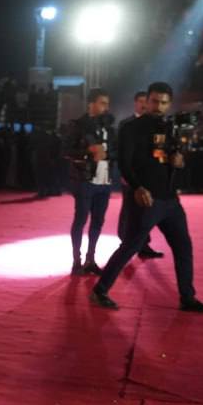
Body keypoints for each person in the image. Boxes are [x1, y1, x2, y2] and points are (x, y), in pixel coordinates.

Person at [91, 82, 203, 313]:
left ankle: (187, 298)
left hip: (170, 200)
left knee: (183, 247)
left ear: (169, 104)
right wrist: (137, 188)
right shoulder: (131, 128)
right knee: (130, 246)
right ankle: (100, 290)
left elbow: (172, 159)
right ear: (146, 101)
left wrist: (179, 162)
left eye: (163, 102)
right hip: (146, 199)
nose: (158, 106)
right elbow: (125, 163)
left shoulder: (170, 128)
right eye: (155, 101)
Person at [65, 88, 115, 275]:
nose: (106, 107)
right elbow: (65, 151)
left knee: (98, 221)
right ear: (91, 104)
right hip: (84, 180)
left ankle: (91, 259)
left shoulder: (109, 128)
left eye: (107, 104)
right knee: (81, 219)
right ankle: (76, 260)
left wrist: (107, 154)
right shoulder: (78, 125)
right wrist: (88, 152)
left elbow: (116, 152)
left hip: (104, 181)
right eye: (102, 103)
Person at [116, 90, 164, 259]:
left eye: (146, 102)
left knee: (147, 210)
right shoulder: (126, 124)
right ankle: (125, 241)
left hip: (150, 176)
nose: (144, 105)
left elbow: (158, 150)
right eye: (141, 101)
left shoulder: (156, 125)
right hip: (131, 176)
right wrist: (125, 174)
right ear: (135, 103)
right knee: (128, 209)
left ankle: (143, 244)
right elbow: (121, 153)